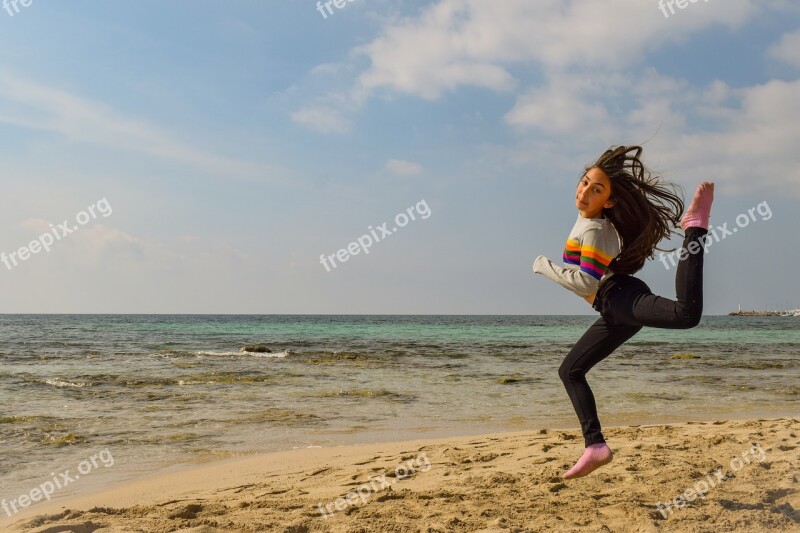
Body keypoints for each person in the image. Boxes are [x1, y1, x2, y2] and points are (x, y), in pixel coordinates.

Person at [532, 145, 714, 479]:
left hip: (619, 298)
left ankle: (695, 226)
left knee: (686, 314)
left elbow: (586, 282)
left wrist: (545, 267)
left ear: (610, 201)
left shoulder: (595, 230)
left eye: (596, 189)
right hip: (612, 310)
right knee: (570, 370)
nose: (585, 190)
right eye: (585, 182)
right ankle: (595, 446)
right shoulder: (589, 223)